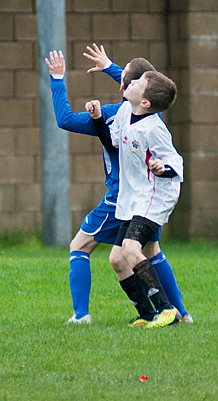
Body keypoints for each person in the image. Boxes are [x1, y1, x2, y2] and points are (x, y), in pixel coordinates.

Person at [45, 45, 191, 325]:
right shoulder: (128, 112)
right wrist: (110, 72)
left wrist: (57, 79)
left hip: (135, 197)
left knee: (84, 246)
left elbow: (65, 119)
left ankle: (85, 315)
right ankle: (171, 313)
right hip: (132, 197)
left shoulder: (140, 119)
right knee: (138, 254)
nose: (125, 81)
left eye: (126, 77)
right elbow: (137, 86)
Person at [87, 69, 183, 328]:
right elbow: (112, 143)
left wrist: (163, 167)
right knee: (117, 259)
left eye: (139, 82)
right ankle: (147, 314)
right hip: (134, 197)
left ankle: (167, 310)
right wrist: (97, 119)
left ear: (146, 103)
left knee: (131, 249)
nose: (132, 82)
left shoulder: (155, 129)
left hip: (157, 196)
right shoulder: (124, 112)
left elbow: (176, 161)